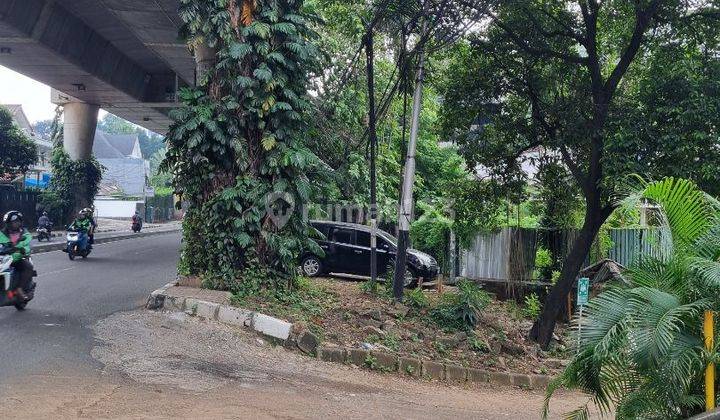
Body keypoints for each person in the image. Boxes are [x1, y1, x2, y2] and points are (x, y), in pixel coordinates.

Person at [0, 211, 33, 301]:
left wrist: (23, 250)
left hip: (17, 258)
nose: (13, 224)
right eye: (10, 222)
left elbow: (27, 246)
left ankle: (19, 288)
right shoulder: (1, 233)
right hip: (3, 258)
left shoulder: (25, 234)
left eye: (15, 222)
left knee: (28, 266)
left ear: (20, 222)